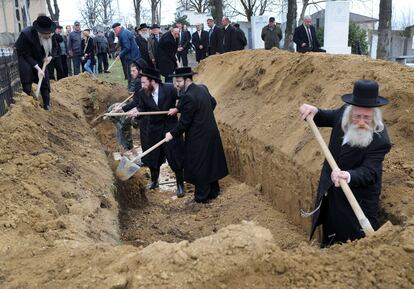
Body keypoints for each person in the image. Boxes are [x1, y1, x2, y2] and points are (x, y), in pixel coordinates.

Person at [299, 80, 391, 247]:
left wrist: (347, 175)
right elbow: (328, 117)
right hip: (333, 191)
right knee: (331, 233)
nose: (361, 122)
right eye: (357, 116)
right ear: (351, 113)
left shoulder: (381, 140)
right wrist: (315, 111)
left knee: (353, 243)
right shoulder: (344, 113)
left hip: (358, 199)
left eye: (366, 118)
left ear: (374, 115)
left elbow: (369, 172)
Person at [166, 67, 228, 204]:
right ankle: (213, 191)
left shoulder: (188, 96)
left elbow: (184, 123)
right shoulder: (202, 88)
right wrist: (201, 114)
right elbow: (212, 102)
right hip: (211, 132)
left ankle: (201, 197)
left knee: (199, 164)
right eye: (176, 81)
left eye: (179, 81)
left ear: (187, 79)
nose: (177, 84)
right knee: (210, 161)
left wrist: (171, 134)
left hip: (198, 136)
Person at [128, 68, 185, 197]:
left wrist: (177, 108)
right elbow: (142, 108)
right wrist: (136, 113)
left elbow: (183, 98)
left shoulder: (169, 89)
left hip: (170, 127)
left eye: (144, 83)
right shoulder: (143, 93)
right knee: (154, 157)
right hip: (154, 129)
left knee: (175, 156)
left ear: (152, 81)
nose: (141, 86)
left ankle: (180, 185)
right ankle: (154, 181)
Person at [15, 15, 58, 111]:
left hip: (40, 56)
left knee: (44, 78)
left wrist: (51, 57)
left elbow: (55, 47)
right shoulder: (26, 34)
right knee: (27, 74)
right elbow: (25, 53)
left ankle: (47, 103)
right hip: (25, 56)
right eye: (46, 34)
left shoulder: (51, 35)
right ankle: (29, 102)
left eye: (49, 34)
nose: (48, 36)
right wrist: (37, 68)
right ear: (40, 32)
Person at [112, 59, 149, 153]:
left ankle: (127, 147)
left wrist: (121, 109)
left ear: (140, 70)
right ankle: (126, 146)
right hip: (139, 107)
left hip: (142, 111)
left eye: (133, 71)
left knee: (121, 120)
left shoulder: (139, 81)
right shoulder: (141, 80)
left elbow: (136, 101)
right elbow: (137, 97)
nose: (131, 73)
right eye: (131, 71)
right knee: (116, 113)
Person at [112, 22, 142, 92]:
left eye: (115, 30)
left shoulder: (123, 34)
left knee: (132, 73)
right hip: (133, 56)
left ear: (118, 28)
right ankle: (130, 88)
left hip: (132, 57)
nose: (114, 32)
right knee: (130, 73)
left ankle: (132, 90)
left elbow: (127, 47)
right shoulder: (124, 32)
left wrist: (120, 55)